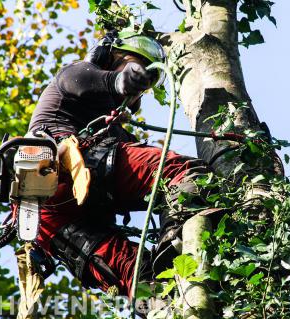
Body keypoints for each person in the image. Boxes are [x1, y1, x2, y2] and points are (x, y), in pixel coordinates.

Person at [22, 31, 215, 298]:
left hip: (57, 216)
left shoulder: (113, 132)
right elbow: (79, 80)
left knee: (142, 279)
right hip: (55, 168)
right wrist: (117, 80)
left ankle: (169, 307)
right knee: (183, 173)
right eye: (133, 64)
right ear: (107, 58)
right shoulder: (77, 75)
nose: (139, 81)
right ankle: (177, 239)